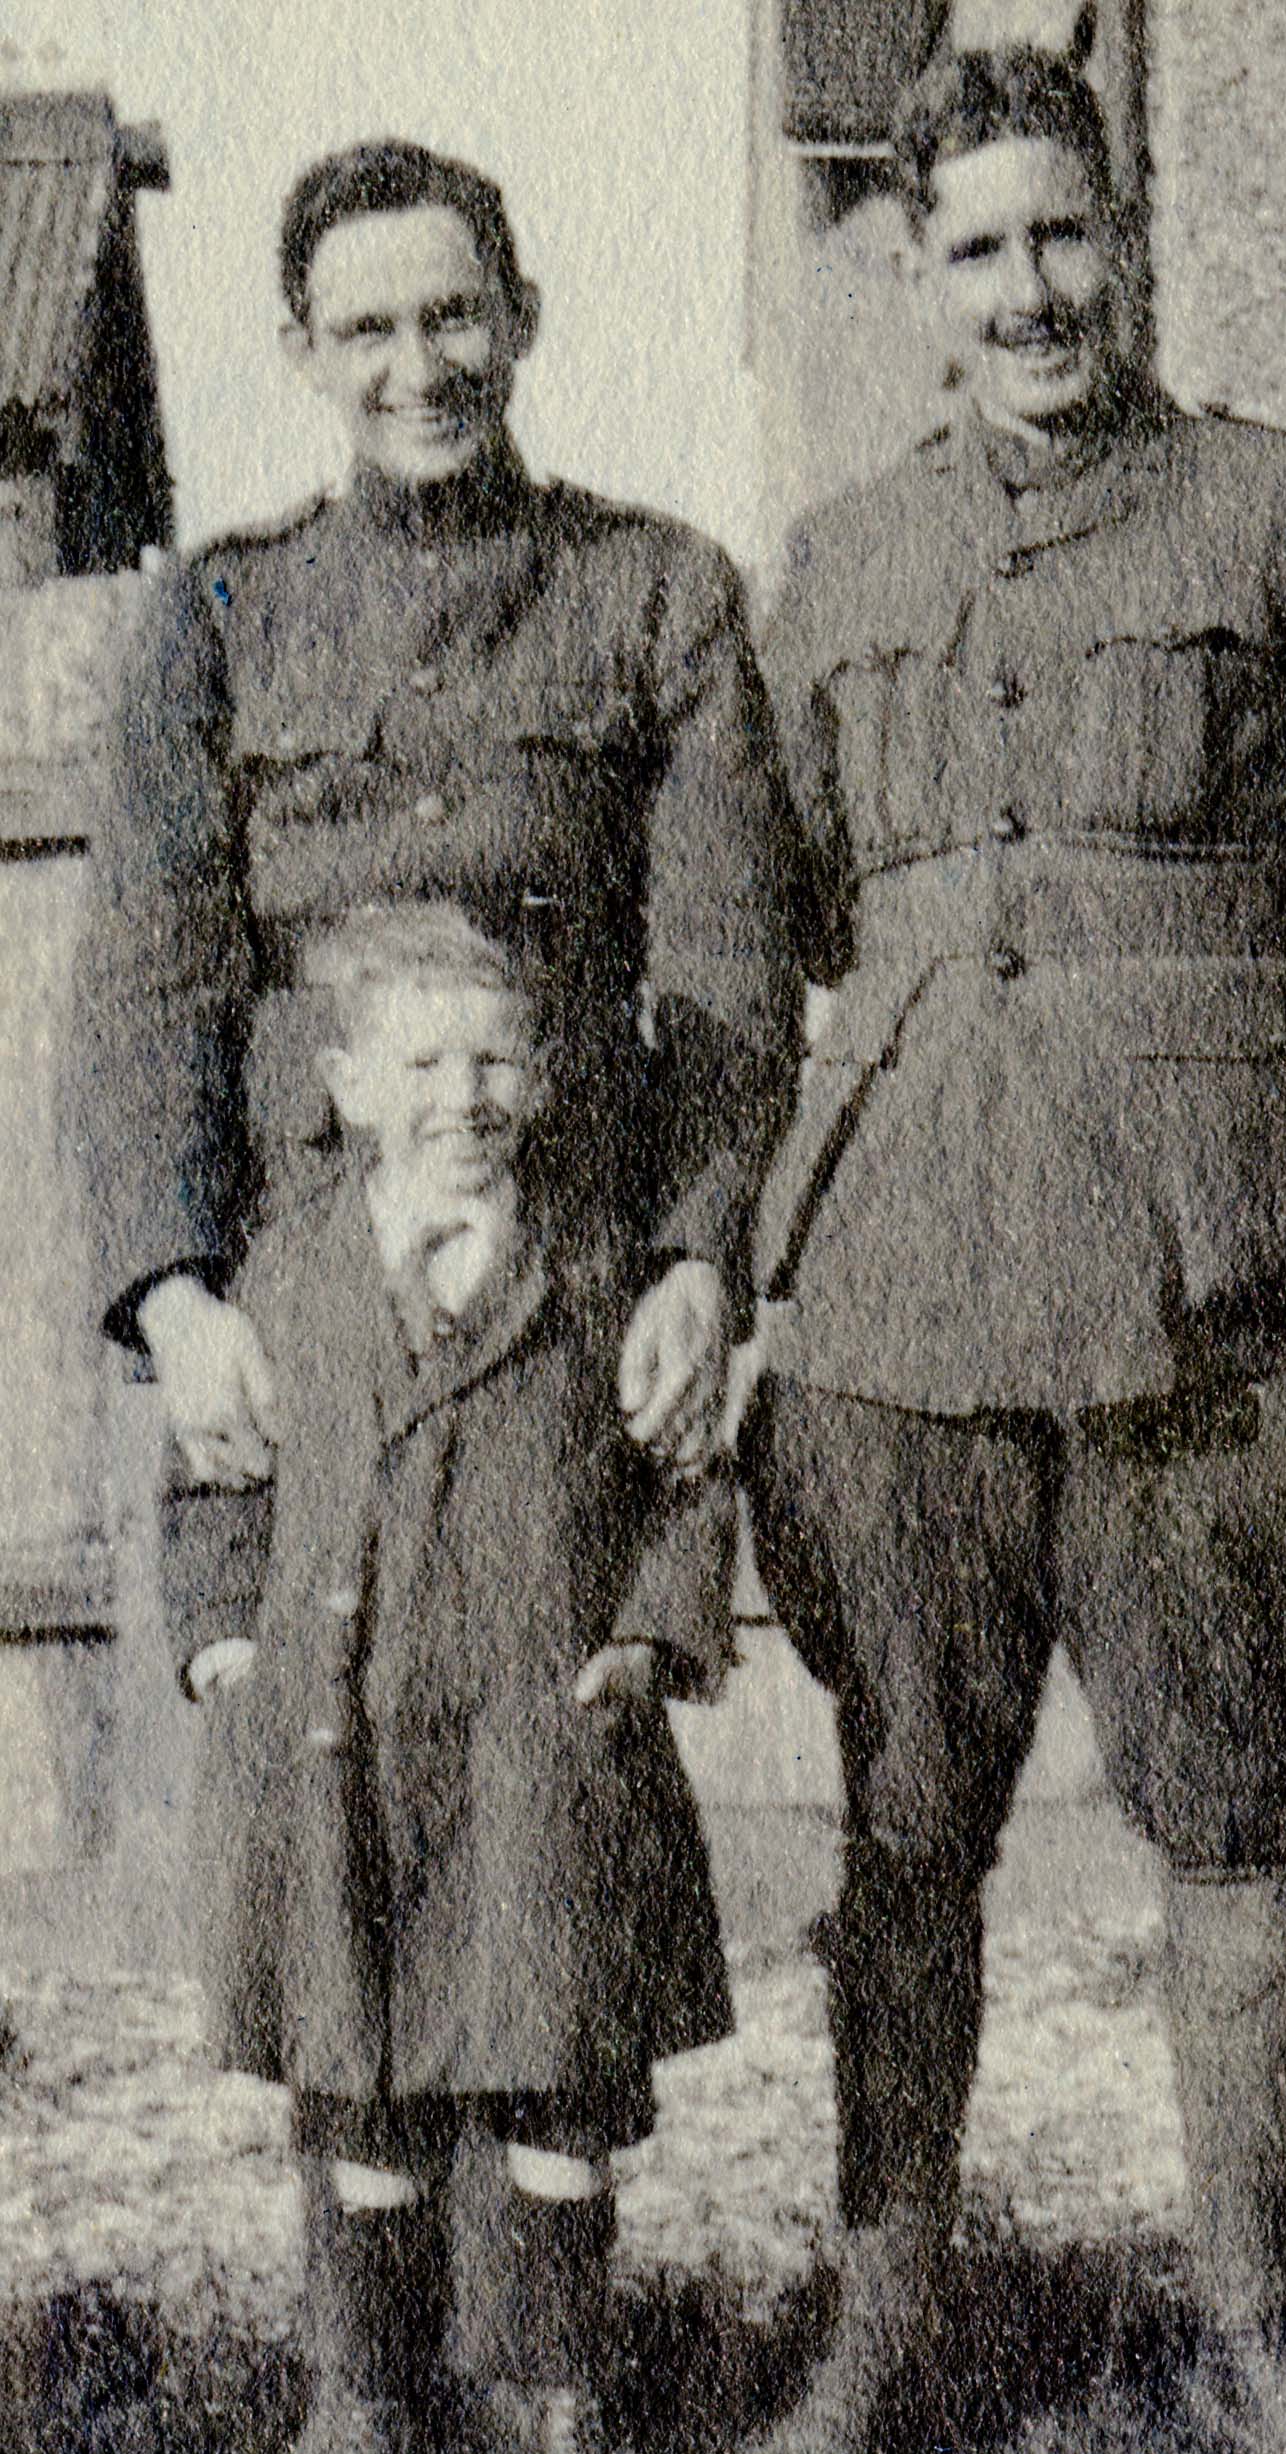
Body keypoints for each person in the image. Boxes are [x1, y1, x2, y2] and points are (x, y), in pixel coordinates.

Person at [742, 40, 1286, 2454]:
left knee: (1225, 1808)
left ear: (1128, 230)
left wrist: (1182, 985)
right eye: (978, 248)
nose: (1031, 287)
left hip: (1215, 1284)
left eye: (1065, 234)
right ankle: (877, 2334)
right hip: (899, 1291)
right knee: (906, 1826)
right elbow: (768, 932)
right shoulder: (835, 563)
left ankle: (1261, 2331)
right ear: (917, 273)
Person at [75, 134, 799, 1509]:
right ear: (301, 351)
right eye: (366, 330)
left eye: (452, 315)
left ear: (520, 314)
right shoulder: (218, 617)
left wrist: (698, 1260)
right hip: (288, 1274)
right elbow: (146, 991)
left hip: (566, 1266)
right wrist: (177, 1300)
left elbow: (726, 972)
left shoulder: (654, 593)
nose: (418, 368)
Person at [164, 899, 737, 2454]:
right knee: (364, 2095)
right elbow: (216, 1474)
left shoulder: (604, 1270)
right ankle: (363, 2413)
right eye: (418, 1059)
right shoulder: (280, 1271)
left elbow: (684, 1480)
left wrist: (652, 1628)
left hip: (538, 1753)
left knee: (556, 2082)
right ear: (343, 1082)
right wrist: (222, 1643)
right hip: (340, 1759)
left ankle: (557, 2420)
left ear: (550, 1079)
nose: (460, 1094)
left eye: (496, 1057)